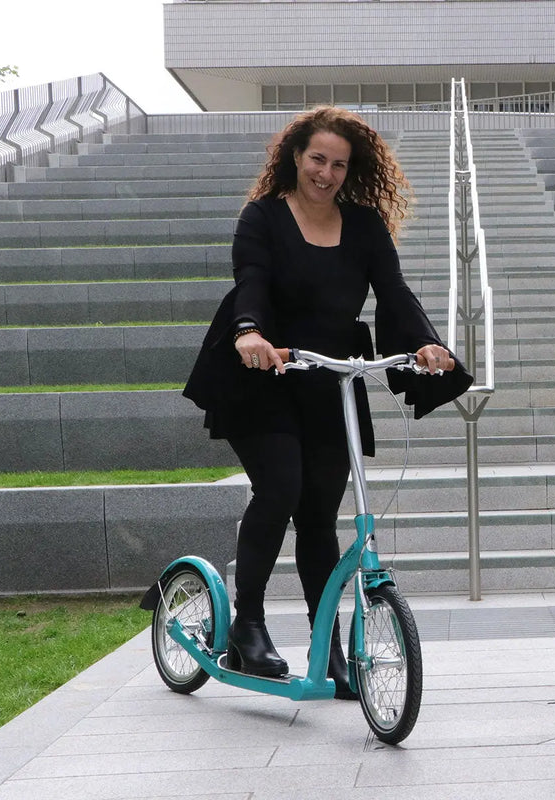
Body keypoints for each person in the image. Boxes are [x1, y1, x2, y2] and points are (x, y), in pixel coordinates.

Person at [184, 107, 471, 697]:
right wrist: (248, 333)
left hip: (328, 376)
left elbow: (393, 291)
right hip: (260, 370)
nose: (327, 172)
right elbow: (252, 280)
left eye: (339, 164)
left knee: (319, 514)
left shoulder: (364, 225)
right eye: (318, 159)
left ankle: (330, 648)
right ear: (295, 156)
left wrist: (425, 343)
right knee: (281, 486)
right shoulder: (262, 216)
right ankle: (248, 625)